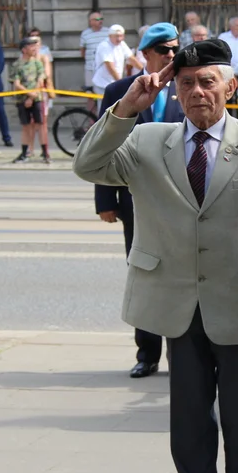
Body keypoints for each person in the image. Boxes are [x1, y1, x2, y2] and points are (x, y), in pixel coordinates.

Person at [72, 39, 238, 473]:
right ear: (174, 88)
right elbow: (88, 165)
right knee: (189, 421)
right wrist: (127, 106)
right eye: (188, 83)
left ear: (231, 86)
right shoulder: (149, 139)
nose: (198, 92)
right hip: (176, 302)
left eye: (209, 81)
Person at [93, 22, 183, 379]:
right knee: (144, 275)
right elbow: (103, 141)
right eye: (164, 50)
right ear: (145, 55)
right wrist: (105, 199)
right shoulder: (120, 89)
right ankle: (147, 353)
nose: (171, 56)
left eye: (175, 49)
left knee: (180, 276)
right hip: (136, 200)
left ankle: (182, 350)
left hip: (182, 201)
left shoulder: (186, 88)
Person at [11, 36, 49, 163]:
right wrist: (29, 95)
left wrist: (32, 97)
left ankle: (45, 153)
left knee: (41, 125)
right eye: (31, 46)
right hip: (22, 99)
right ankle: (24, 152)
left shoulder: (37, 63)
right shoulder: (17, 65)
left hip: (37, 98)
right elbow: (16, 84)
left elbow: (40, 79)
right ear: (24, 49)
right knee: (26, 126)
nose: (34, 49)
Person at [92, 25, 134, 100]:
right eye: (116, 36)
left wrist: (144, 69)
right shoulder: (105, 46)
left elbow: (132, 58)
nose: (119, 39)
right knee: (104, 108)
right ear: (110, 36)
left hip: (114, 83)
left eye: (121, 36)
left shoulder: (122, 44)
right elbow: (110, 67)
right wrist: (121, 83)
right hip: (103, 84)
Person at [27, 27, 54, 138]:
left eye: (37, 42)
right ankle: (30, 148)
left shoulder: (44, 56)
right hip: (29, 90)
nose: (35, 46)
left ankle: (45, 149)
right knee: (31, 122)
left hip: (41, 91)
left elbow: (46, 74)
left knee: (43, 120)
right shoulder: (26, 57)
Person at [80, 11, 110, 93]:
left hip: (105, 69)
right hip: (90, 68)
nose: (100, 21)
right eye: (97, 19)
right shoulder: (85, 34)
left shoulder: (108, 32)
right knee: (90, 92)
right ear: (91, 22)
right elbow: (82, 50)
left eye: (101, 19)